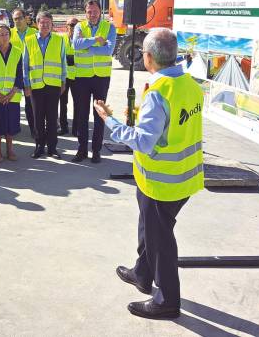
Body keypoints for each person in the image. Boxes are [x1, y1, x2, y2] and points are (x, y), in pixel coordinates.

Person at [94, 28, 204, 320]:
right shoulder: (189, 84)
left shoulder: (159, 92)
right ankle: (142, 274)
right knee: (149, 228)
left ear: (150, 57)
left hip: (162, 181)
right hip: (183, 177)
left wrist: (110, 120)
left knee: (161, 241)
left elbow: (143, 141)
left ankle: (167, 301)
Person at [71, 0, 116, 163]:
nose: (92, 14)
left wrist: (87, 44)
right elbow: (75, 44)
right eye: (89, 12)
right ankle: (81, 150)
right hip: (82, 77)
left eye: (95, 11)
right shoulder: (79, 27)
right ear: (85, 13)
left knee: (100, 115)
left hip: (101, 78)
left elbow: (108, 50)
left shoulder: (109, 27)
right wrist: (96, 40)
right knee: (82, 115)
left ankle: (96, 151)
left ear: (100, 11)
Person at [23, 11, 66, 159]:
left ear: (52, 24)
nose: (45, 25)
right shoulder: (29, 40)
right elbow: (25, 65)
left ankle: (52, 148)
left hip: (53, 85)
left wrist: (63, 81)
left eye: (48, 22)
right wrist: (26, 85)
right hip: (35, 86)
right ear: (37, 24)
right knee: (38, 118)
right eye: (42, 22)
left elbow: (63, 62)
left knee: (52, 118)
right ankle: (39, 146)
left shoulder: (59, 40)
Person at [0, 24, 23, 162]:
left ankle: (10, 150)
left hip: (12, 95)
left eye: (6, 34)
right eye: (1, 34)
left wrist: (11, 93)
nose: (4, 37)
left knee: (10, 124)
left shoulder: (18, 51)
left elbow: (20, 75)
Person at [10, 8, 37, 138]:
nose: (18, 21)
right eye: (15, 19)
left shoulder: (34, 33)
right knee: (13, 102)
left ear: (25, 18)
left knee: (30, 103)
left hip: (29, 73)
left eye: (20, 18)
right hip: (13, 73)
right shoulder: (9, 34)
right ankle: (12, 129)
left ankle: (34, 129)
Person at [59, 17, 79, 136]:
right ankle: (63, 127)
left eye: (76, 25)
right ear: (66, 26)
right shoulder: (62, 40)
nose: (73, 27)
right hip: (64, 77)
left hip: (78, 77)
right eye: (71, 25)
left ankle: (76, 128)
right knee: (62, 103)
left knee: (78, 104)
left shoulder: (81, 40)